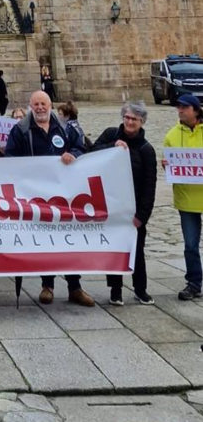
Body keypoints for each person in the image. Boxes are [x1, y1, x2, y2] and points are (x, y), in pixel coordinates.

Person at [4, 90, 94, 307]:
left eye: (43, 103)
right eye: (36, 104)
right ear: (30, 106)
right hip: (36, 195)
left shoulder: (65, 127)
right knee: (46, 240)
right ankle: (48, 286)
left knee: (68, 238)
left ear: (51, 105)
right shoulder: (20, 130)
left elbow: (82, 147)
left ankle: (75, 287)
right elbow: (10, 158)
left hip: (65, 194)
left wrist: (73, 154)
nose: (40, 108)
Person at [92, 102, 156, 306]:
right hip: (111, 205)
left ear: (141, 122)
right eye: (127, 117)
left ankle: (140, 289)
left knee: (137, 249)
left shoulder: (146, 150)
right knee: (114, 249)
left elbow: (149, 185)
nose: (129, 122)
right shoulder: (111, 135)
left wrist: (142, 215)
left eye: (134, 119)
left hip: (134, 208)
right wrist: (113, 146)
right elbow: (91, 152)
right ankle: (116, 290)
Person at [162, 94, 203, 301]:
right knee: (190, 244)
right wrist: (168, 166)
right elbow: (172, 162)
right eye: (179, 107)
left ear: (195, 110)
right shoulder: (172, 135)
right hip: (187, 197)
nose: (180, 110)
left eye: (185, 107)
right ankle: (194, 282)